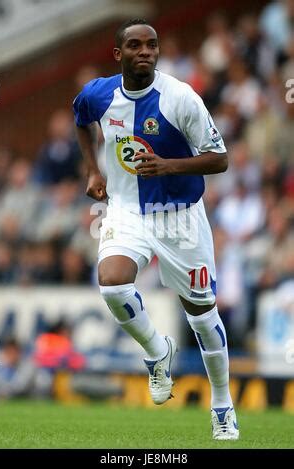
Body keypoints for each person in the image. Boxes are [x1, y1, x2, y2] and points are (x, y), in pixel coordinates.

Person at [73, 18, 239, 440]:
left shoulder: (180, 98)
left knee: (202, 316)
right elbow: (80, 116)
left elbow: (219, 158)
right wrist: (92, 170)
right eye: (135, 45)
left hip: (181, 216)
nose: (145, 52)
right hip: (127, 210)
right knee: (112, 284)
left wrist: (169, 165)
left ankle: (222, 403)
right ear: (119, 54)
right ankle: (158, 351)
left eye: (152, 45)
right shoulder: (100, 94)